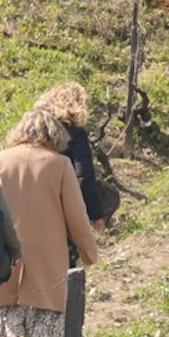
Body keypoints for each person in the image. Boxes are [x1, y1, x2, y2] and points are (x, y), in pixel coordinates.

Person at [0, 99, 104, 337]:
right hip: (48, 250)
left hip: (7, 246)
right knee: (46, 313)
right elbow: (76, 214)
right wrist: (89, 252)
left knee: (10, 300)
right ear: (54, 134)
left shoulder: (0, 159)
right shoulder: (60, 164)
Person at [37, 82, 124, 234]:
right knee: (110, 194)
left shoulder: (34, 127)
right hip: (61, 198)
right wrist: (96, 215)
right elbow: (84, 177)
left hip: (32, 193)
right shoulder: (76, 133)